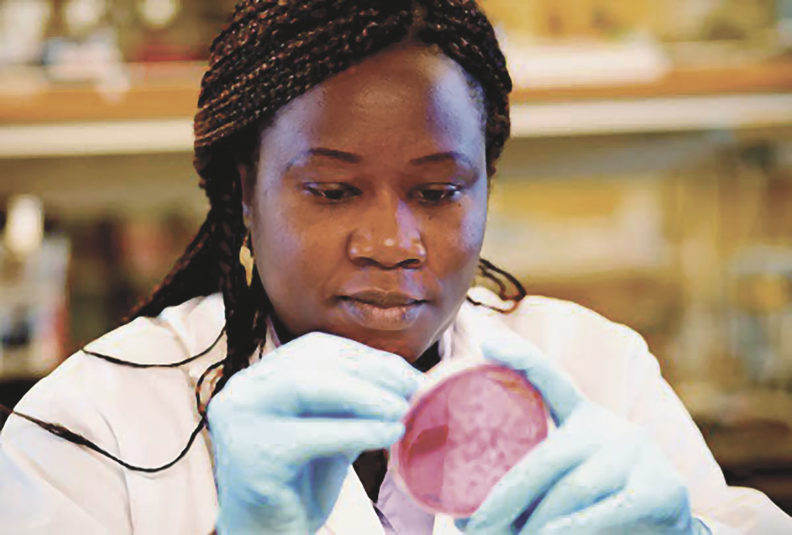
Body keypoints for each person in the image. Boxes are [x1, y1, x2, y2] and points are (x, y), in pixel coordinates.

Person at [1, 1, 790, 533]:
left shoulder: (595, 370)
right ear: (245, 192)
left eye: (438, 190)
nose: (390, 241)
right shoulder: (89, 430)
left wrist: (687, 531)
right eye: (333, 190)